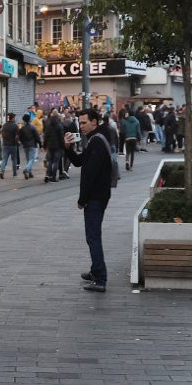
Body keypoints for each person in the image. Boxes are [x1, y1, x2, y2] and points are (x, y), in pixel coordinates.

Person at [64, 109, 115, 293]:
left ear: (95, 122)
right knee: (92, 236)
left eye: (84, 122)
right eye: (80, 123)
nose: (81, 126)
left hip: (96, 196)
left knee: (93, 237)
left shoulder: (97, 142)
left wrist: (82, 199)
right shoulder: (94, 139)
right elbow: (79, 162)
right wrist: (68, 148)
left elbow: (90, 174)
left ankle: (100, 278)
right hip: (99, 195)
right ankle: (95, 271)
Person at [0, 113, 20, 179]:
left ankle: (2, 171)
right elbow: (17, 137)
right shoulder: (15, 126)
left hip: (5, 144)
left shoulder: (4, 125)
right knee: (14, 159)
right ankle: (14, 174)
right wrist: (17, 143)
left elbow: (2, 135)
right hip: (13, 145)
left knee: (4, 159)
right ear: (12, 118)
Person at [120, 107, 141, 172]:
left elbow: (122, 130)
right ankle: (131, 166)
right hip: (134, 138)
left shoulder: (124, 121)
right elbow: (138, 131)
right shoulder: (137, 121)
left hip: (127, 138)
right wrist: (139, 138)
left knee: (128, 152)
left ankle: (127, 162)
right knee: (132, 153)